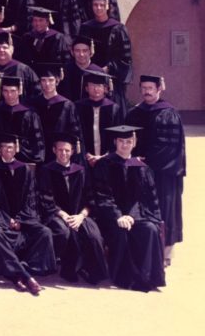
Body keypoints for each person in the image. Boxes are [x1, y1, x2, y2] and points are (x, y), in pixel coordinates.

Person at [91, 124, 166, 291]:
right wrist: (118, 216)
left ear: (135, 142)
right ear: (115, 142)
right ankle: (124, 277)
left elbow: (147, 199)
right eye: (121, 141)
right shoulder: (104, 164)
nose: (125, 145)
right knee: (121, 231)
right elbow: (102, 195)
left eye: (128, 141)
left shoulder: (143, 168)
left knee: (150, 229)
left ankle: (147, 277)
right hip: (110, 217)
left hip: (137, 216)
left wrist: (132, 216)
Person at [0, 133, 55, 295]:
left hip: (24, 220)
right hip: (0, 221)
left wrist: (21, 220)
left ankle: (19, 272)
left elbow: (31, 198)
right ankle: (25, 276)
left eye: (10, 147)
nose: (7, 150)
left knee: (44, 232)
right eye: (4, 147)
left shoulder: (25, 169)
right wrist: (7, 221)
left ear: (16, 149)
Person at [126, 74, 185, 264]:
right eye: (143, 88)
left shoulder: (169, 114)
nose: (147, 92)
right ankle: (140, 249)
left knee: (165, 209)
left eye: (150, 88)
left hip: (163, 173)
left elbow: (170, 147)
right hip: (137, 170)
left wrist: (147, 162)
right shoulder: (134, 113)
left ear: (159, 88)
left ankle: (165, 253)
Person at [37, 132, 108, 284]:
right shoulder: (46, 170)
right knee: (65, 232)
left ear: (72, 151)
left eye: (67, 150)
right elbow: (45, 199)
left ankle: (91, 271)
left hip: (80, 215)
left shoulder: (81, 170)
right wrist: (64, 216)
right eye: (60, 150)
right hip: (56, 214)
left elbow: (90, 197)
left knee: (93, 236)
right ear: (54, 150)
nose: (64, 153)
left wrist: (81, 216)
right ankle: (70, 269)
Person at [78, 0, 133, 115]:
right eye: (95, 5)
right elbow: (81, 50)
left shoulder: (118, 28)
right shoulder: (85, 27)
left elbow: (125, 57)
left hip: (111, 77)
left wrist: (108, 68)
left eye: (102, 5)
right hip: (90, 76)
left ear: (108, 6)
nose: (98, 8)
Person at [30, 63, 78, 162]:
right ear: (39, 82)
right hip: (37, 152)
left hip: (60, 153)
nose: (47, 84)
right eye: (43, 80)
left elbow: (74, 132)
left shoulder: (67, 105)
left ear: (57, 81)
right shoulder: (33, 104)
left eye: (51, 80)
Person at [0, 76, 44, 164]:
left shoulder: (30, 113)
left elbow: (37, 142)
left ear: (19, 91)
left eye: (13, 91)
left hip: (24, 159)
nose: (9, 95)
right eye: (6, 91)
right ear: (2, 92)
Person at [75, 69, 123, 167]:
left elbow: (118, 135)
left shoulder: (114, 108)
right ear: (87, 88)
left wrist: (104, 156)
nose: (96, 89)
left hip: (108, 159)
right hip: (84, 159)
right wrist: (86, 154)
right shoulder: (78, 107)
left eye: (99, 86)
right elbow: (76, 132)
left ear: (105, 88)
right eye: (92, 85)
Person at [0, 31, 39, 107]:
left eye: (5, 47)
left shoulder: (23, 70)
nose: (1, 50)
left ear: (12, 49)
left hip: (15, 114)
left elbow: (36, 93)